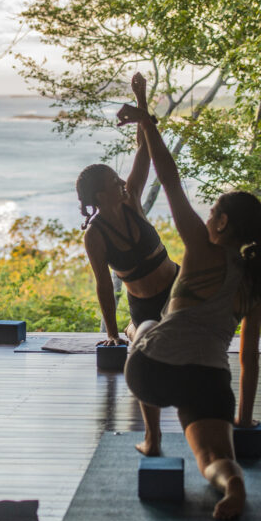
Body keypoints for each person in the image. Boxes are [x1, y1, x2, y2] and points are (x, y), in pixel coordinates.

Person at [116, 73, 261, 520]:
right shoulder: (255, 282)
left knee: (143, 325)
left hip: (155, 373)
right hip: (208, 381)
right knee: (212, 460)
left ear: (222, 224)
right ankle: (232, 482)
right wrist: (242, 420)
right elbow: (249, 359)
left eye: (212, 213)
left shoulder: (203, 251)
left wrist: (148, 120)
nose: (206, 218)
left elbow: (169, 178)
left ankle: (152, 439)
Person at [76, 74, 180, 455]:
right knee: (146, 345)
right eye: (114, 180)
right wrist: (112, 335)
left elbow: (144, 152)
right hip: (143, 304)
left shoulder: (132, 199)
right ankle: (131, 330)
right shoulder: (95, 235)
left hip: (177, 288)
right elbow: (105, 285)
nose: (123, 181)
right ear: (100, 194)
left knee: (183, 340)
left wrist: (140, 100)